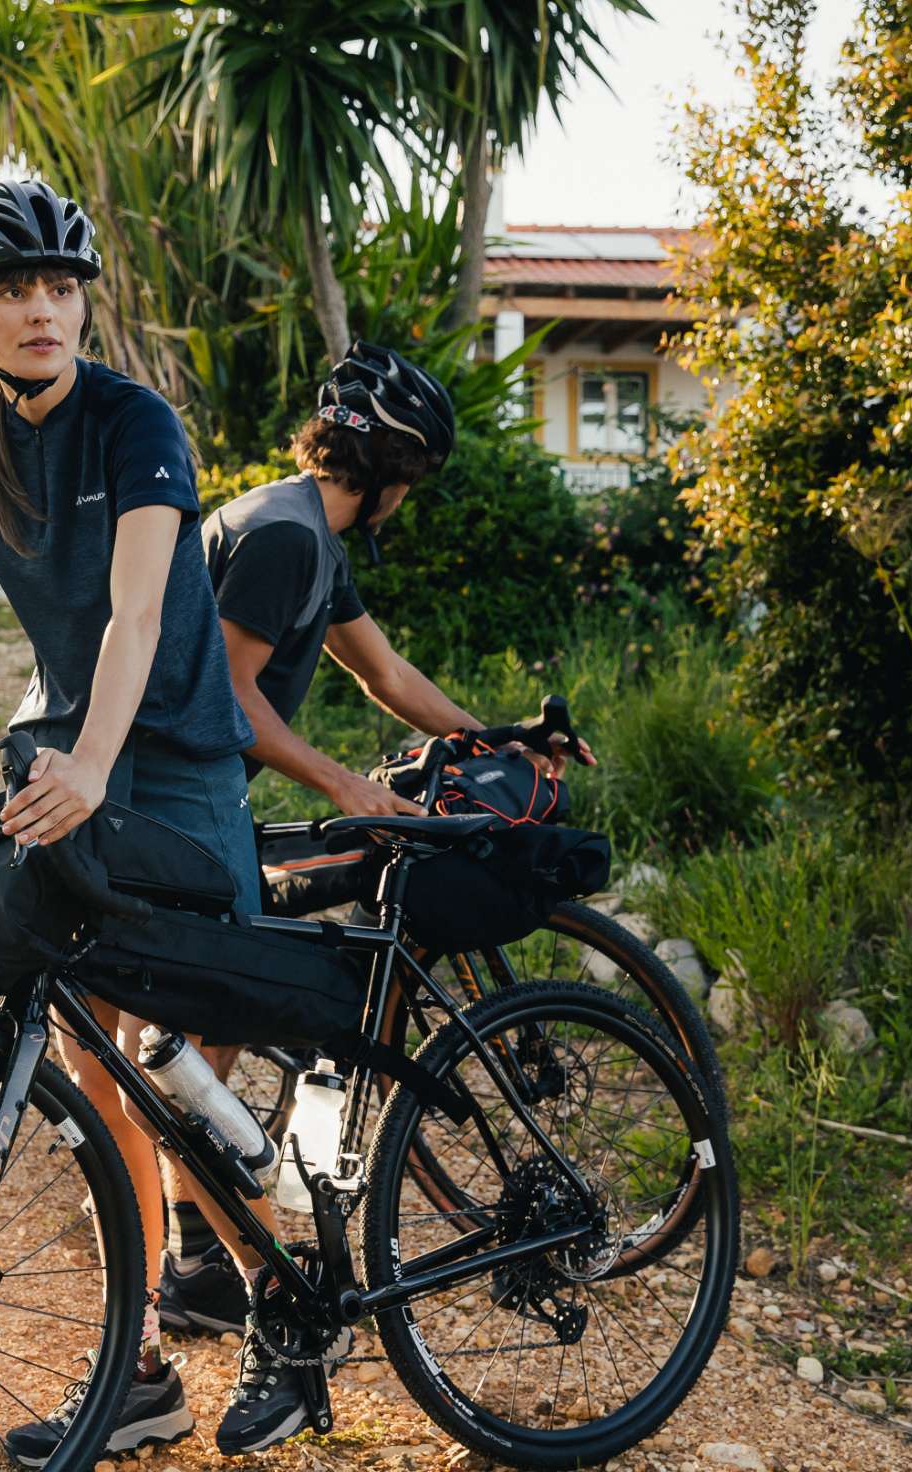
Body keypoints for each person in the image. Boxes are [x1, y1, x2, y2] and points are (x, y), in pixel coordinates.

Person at [0, 177, 322, 1466]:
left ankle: (292, 1292)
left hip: (177, 760)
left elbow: (138, 615)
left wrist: (95, 763)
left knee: (173, 1054)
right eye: (13, 290)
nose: (44, 309)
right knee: (96, 1065)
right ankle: (139, 1367)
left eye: (62, 287)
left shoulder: (137, 425)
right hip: (71, 756)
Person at [152, 342, 594, 1332]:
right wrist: (346, 780)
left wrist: (497, 735)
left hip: (192, 795)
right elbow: (229, 697)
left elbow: (385, 675)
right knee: (213, 1014)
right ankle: (194, 1262)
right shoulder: (286, 539)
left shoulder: (307, 530)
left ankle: (194, 1258)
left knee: (213, 1024)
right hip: (176, 799)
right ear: (397, 473)